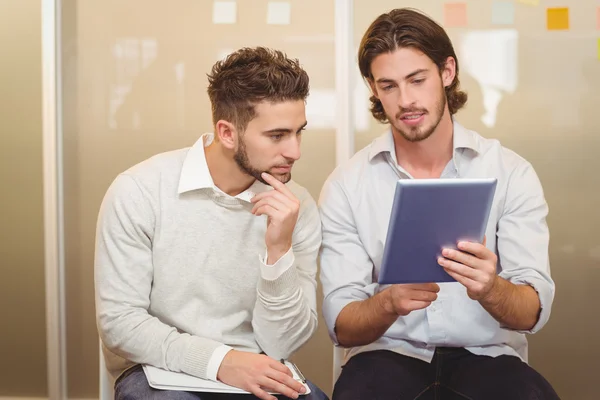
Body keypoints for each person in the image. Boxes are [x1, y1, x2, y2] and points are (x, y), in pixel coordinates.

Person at [318, 8, 559, 400]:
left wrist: (491, 289)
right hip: (386, 358)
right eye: (389, 85)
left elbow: (532, 312)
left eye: (417, 79)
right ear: (372, 87)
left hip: (486, 358)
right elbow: (342, 326)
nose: (406, 100)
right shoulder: (347, 185)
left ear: (447, 72)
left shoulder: (511, 172)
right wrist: (388, 303)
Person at [95, 46, 328, 400]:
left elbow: (283, 343)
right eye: (277, 136)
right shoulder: (139, 191)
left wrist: (278, 250)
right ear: (227, 132)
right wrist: (222, 361)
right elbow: (120, 324)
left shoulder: (298, 207)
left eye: (299, 132)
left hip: (257, 368)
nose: (295, 151)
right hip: (159, 370)